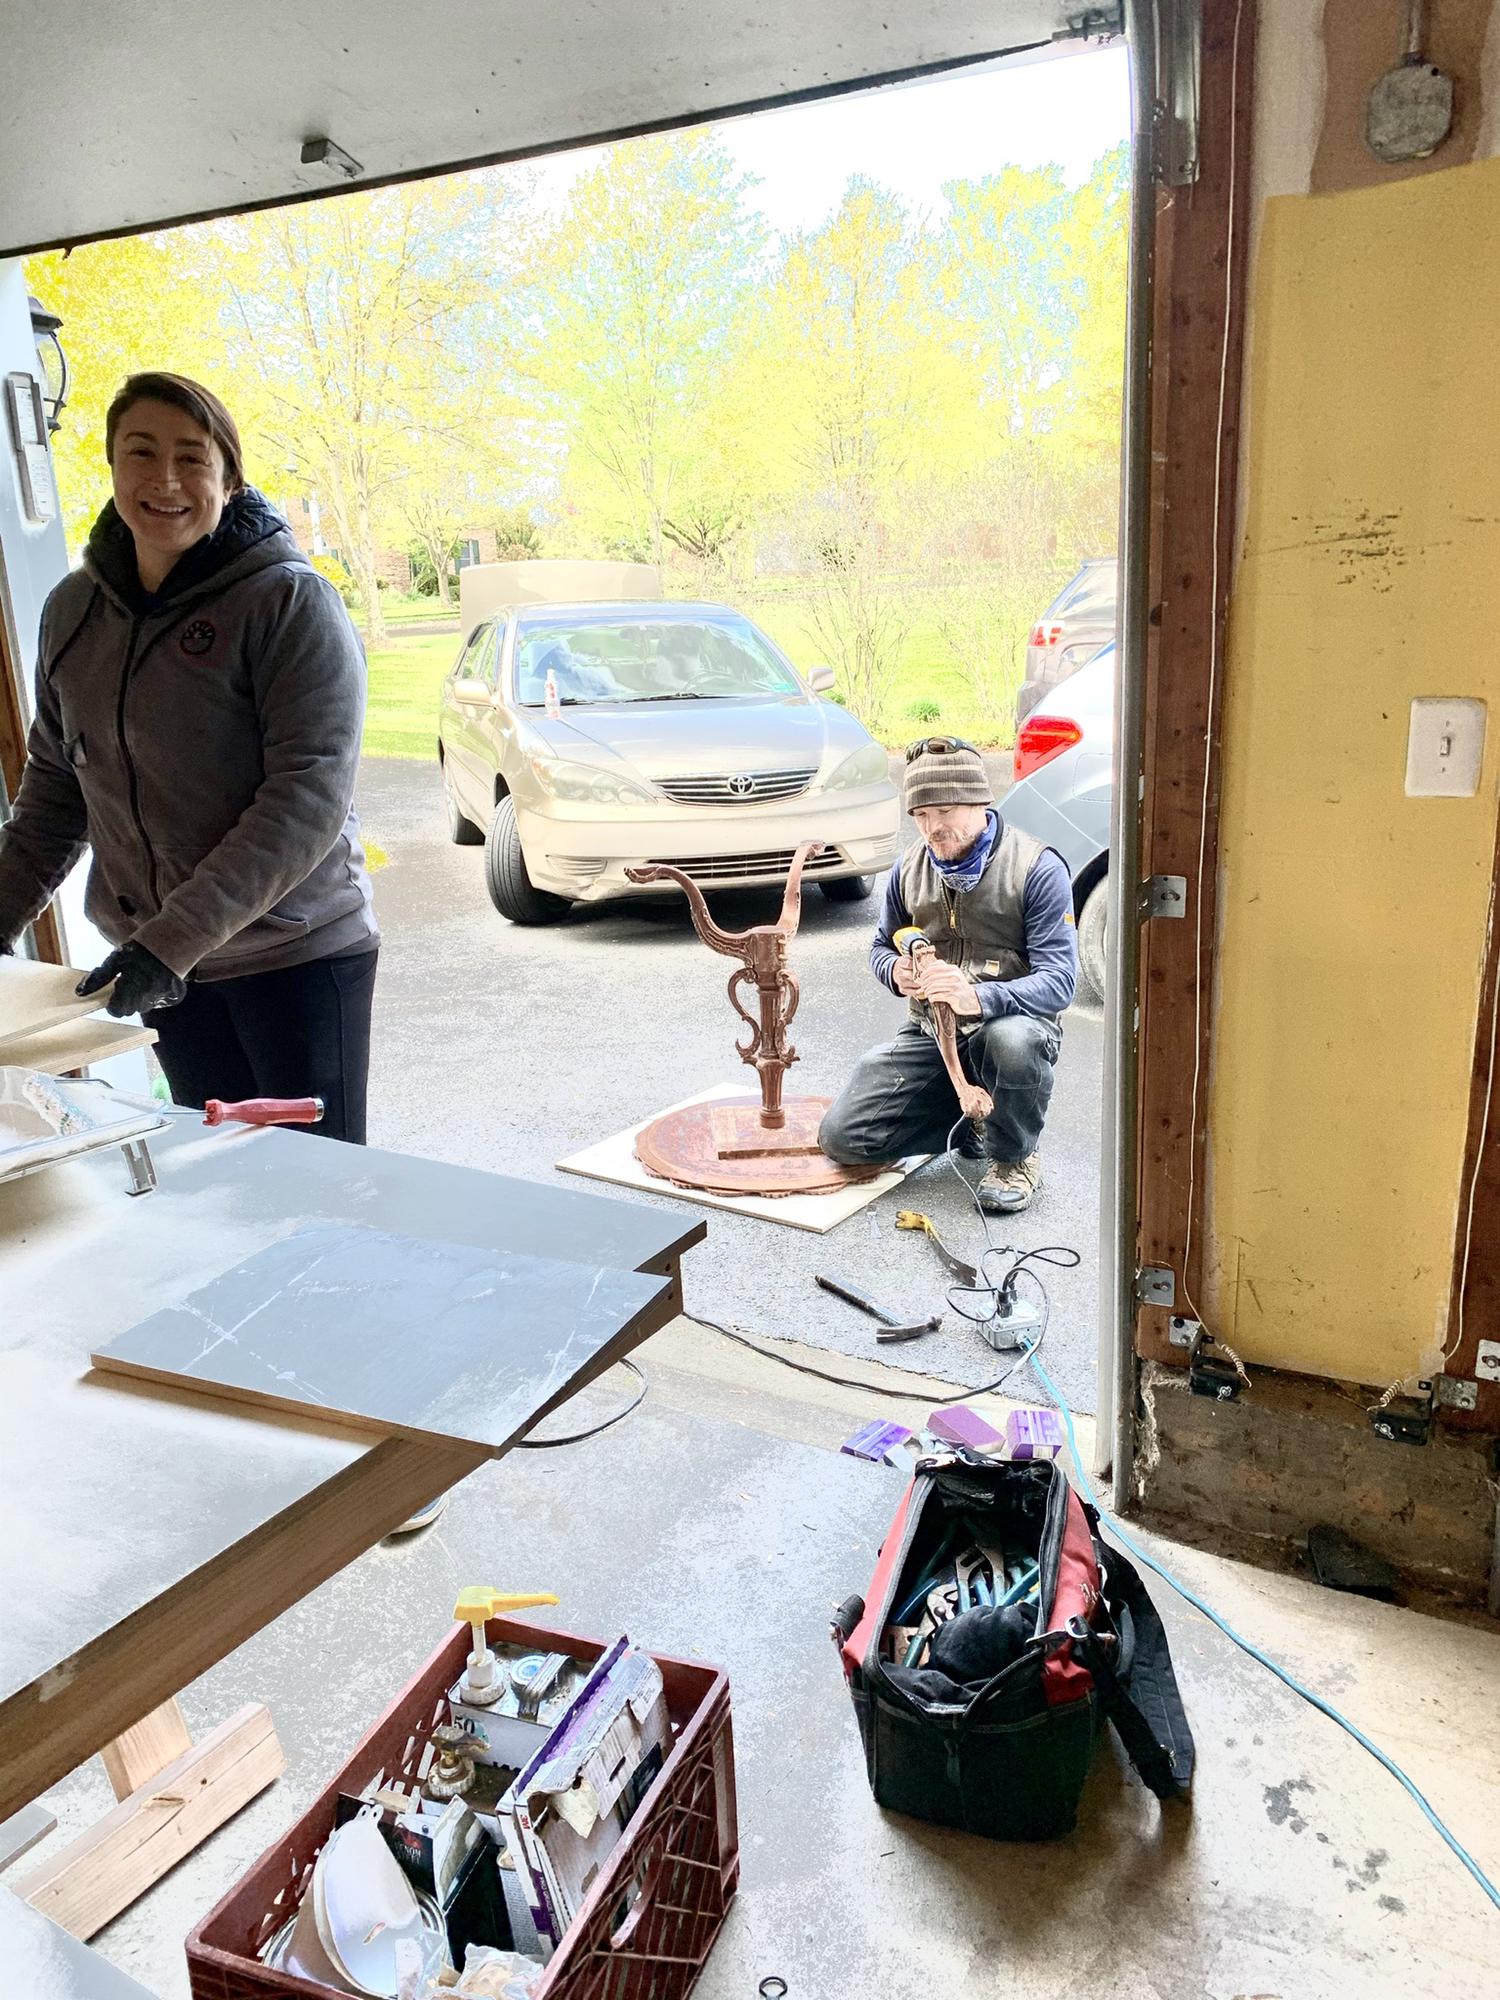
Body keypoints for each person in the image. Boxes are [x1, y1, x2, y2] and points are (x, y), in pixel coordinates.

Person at [0, 371, 379, 1142]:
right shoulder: (72, 613)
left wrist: (166, 945)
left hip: (294, 958)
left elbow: (305, 802)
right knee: (220, 1180)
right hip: (166, 970)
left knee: (322, 1191)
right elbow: (53, 794)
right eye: (141, 452)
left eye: (192, 458)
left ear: (230, 479)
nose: (165, 479)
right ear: (110, 466)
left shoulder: (290, 604)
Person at [818, 736, 1077, 1214]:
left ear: (981, 801)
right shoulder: (907, 869)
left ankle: (1015, 1155)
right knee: (844, 1139)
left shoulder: (1037, 868)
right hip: (931, 1033)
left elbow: (1060, 981)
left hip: (1011, 1027)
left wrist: (979, 998)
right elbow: (881, 945)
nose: (933, 828)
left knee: (1011, 1044)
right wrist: (895, 971)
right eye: (920, 815)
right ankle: (976, 1120)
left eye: (947, 810)